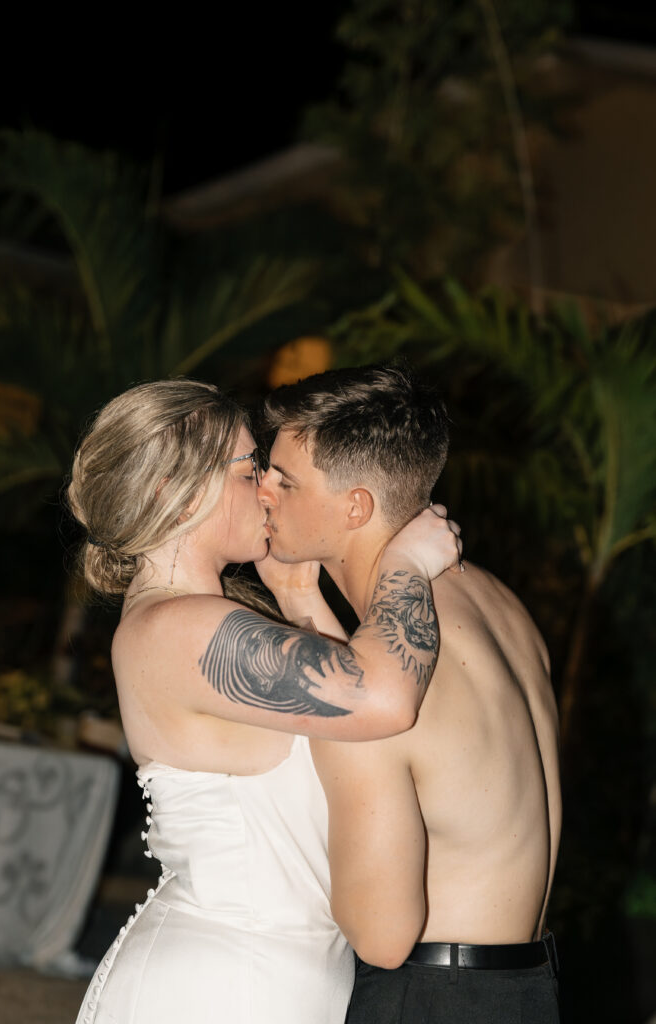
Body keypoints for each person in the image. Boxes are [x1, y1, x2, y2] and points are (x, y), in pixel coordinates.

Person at [67, 378, 460, 1024]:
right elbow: (385, 699)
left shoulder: (197, 619)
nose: (271, 488)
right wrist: (406, 566)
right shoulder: (178, 628)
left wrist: (299, 596)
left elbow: (357, 733)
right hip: (222, 985)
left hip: (264, 974)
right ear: (175, 492)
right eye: (252, 469)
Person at [260, 364, 562, 1024]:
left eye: (284, 480)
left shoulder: (372, 698)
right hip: (526, 989)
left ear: (355, 507)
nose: (262, 492)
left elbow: (380, 936)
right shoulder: (497, 605)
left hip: (428, 997)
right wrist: (297, 595)